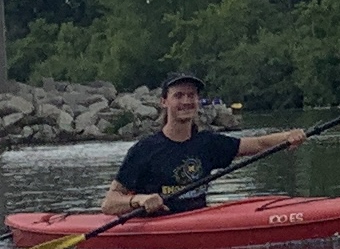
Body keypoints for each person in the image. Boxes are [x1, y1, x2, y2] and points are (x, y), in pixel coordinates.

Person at [93, 72, 306, 217]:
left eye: (191, 95)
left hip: (197, 221)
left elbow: (258, 144)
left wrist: (288, 137)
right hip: (157, 227)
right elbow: (109, 203)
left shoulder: (208, 144)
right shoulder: (144, 150)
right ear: (164, 102)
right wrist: (139, 200)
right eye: (179, 95)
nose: (186, 101)